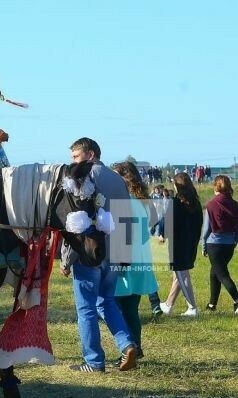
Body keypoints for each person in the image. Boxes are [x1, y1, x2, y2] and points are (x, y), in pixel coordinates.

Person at [60, 137, 138, 372]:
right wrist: (126, 252)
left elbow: (74, 222)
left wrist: (66, 258)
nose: (72, 161)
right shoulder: (118, 179)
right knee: (107, 301)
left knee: (86, 308)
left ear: (90, 154)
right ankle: (127, 344)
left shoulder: (81, 178)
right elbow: (127, 218)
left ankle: (93, 361)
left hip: (90, 251)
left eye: (76, 156)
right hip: (115, 250)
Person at [105, 162, 159, 365]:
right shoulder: (143, 201)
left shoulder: (122, 201)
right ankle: (136, 346)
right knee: (130, 309)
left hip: (124, 259)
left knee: (116, 308)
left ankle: (128, 348)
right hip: (141, 258)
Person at [160, 173, 202, 317]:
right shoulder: (195, 202)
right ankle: (168, 305)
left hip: (178, 243)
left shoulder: (176, 202)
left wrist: (163, 235)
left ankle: (192, 307)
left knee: (181, 274)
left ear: (177, 185)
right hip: (191, 242)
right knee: (178, 275)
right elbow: (199, 223)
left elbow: (168, 223)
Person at [202, 175, 238, 314]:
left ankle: (237, 300)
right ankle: (212, 304)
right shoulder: (235, 204)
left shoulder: (211, 204)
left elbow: (206, 229)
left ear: (216, 186)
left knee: (222, 274)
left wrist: (203, 246)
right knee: (214, 272)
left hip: (215, 244)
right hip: (229, 244)